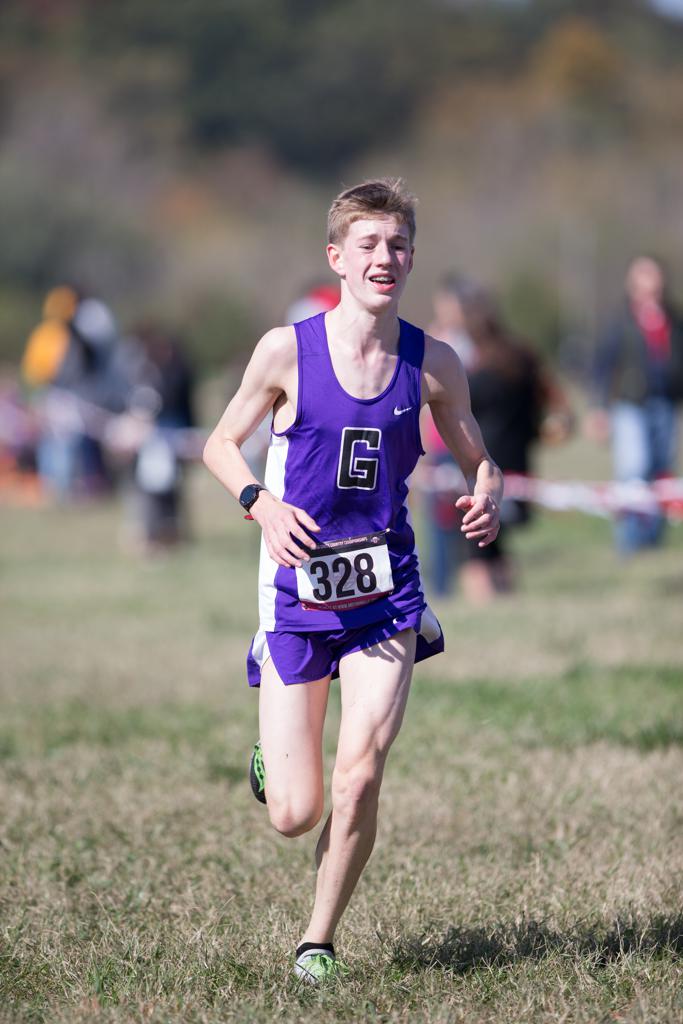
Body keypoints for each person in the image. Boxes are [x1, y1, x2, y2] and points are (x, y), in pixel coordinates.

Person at [202, 179, 502, 984]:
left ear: (411, 259)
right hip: (298, 593)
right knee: (294, 814)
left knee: (361, 768)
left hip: (387, 591)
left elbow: (478, 458)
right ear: (336, 257)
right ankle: (272, 754)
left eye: (398, 245)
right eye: (367, 244)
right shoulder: (284, 350)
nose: (385, 258)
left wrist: (487, 496)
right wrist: (259, 502)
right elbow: (220, 444)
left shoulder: (433, 360)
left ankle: (317, 939)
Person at [458, 290, 573, 602]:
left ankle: (484, 601)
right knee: (497, 536)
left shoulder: (476, 376)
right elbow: (550, 397)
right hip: (518, 459)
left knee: (476, 540)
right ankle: (506, 594)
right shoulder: (523, 359)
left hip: (482, 462)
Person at [589, 256, 683, 554]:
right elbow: (602, 367)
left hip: (666, 404)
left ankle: (652, 542)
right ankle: (629, 542)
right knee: (634, 469)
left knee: (661, 474)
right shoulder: (621, 321)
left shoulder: (674, 320)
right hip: (630, 405)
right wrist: (599, 408)